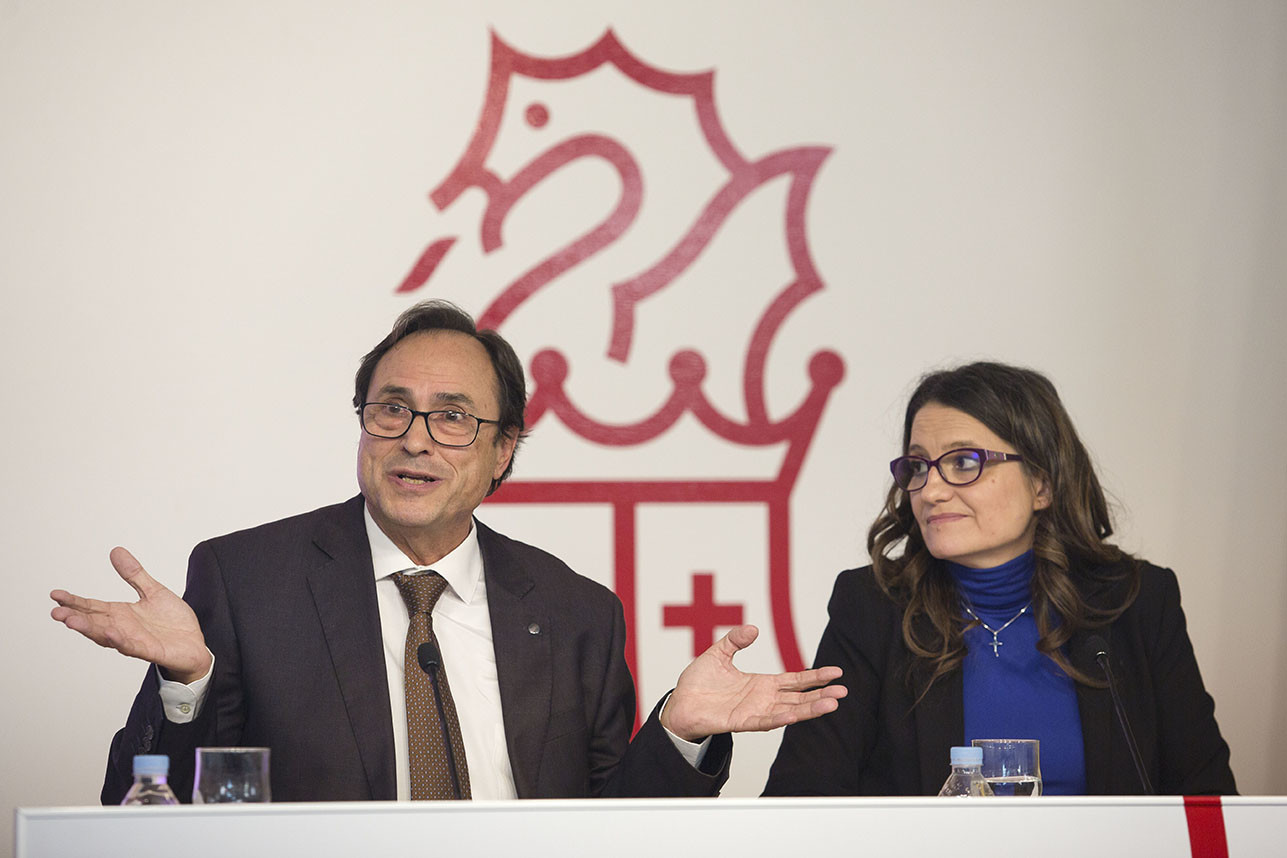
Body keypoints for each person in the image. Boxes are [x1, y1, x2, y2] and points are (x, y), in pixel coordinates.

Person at [52, 299, 846, 804]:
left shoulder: (575, 613)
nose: (415, 440)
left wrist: (678, 729)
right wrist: (184, 682)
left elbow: (614, 830)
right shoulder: (249, 581)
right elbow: (145, 805)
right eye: (390, 409)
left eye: (453, 417)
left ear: (503, 452)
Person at [764, 361, 1235, 796]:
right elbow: (799, 801)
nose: (931, 490)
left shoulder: (1134, 602)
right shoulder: (873, 607)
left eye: (964, 462)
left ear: (1042, 484)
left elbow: (1208, 799)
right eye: (918, 466)